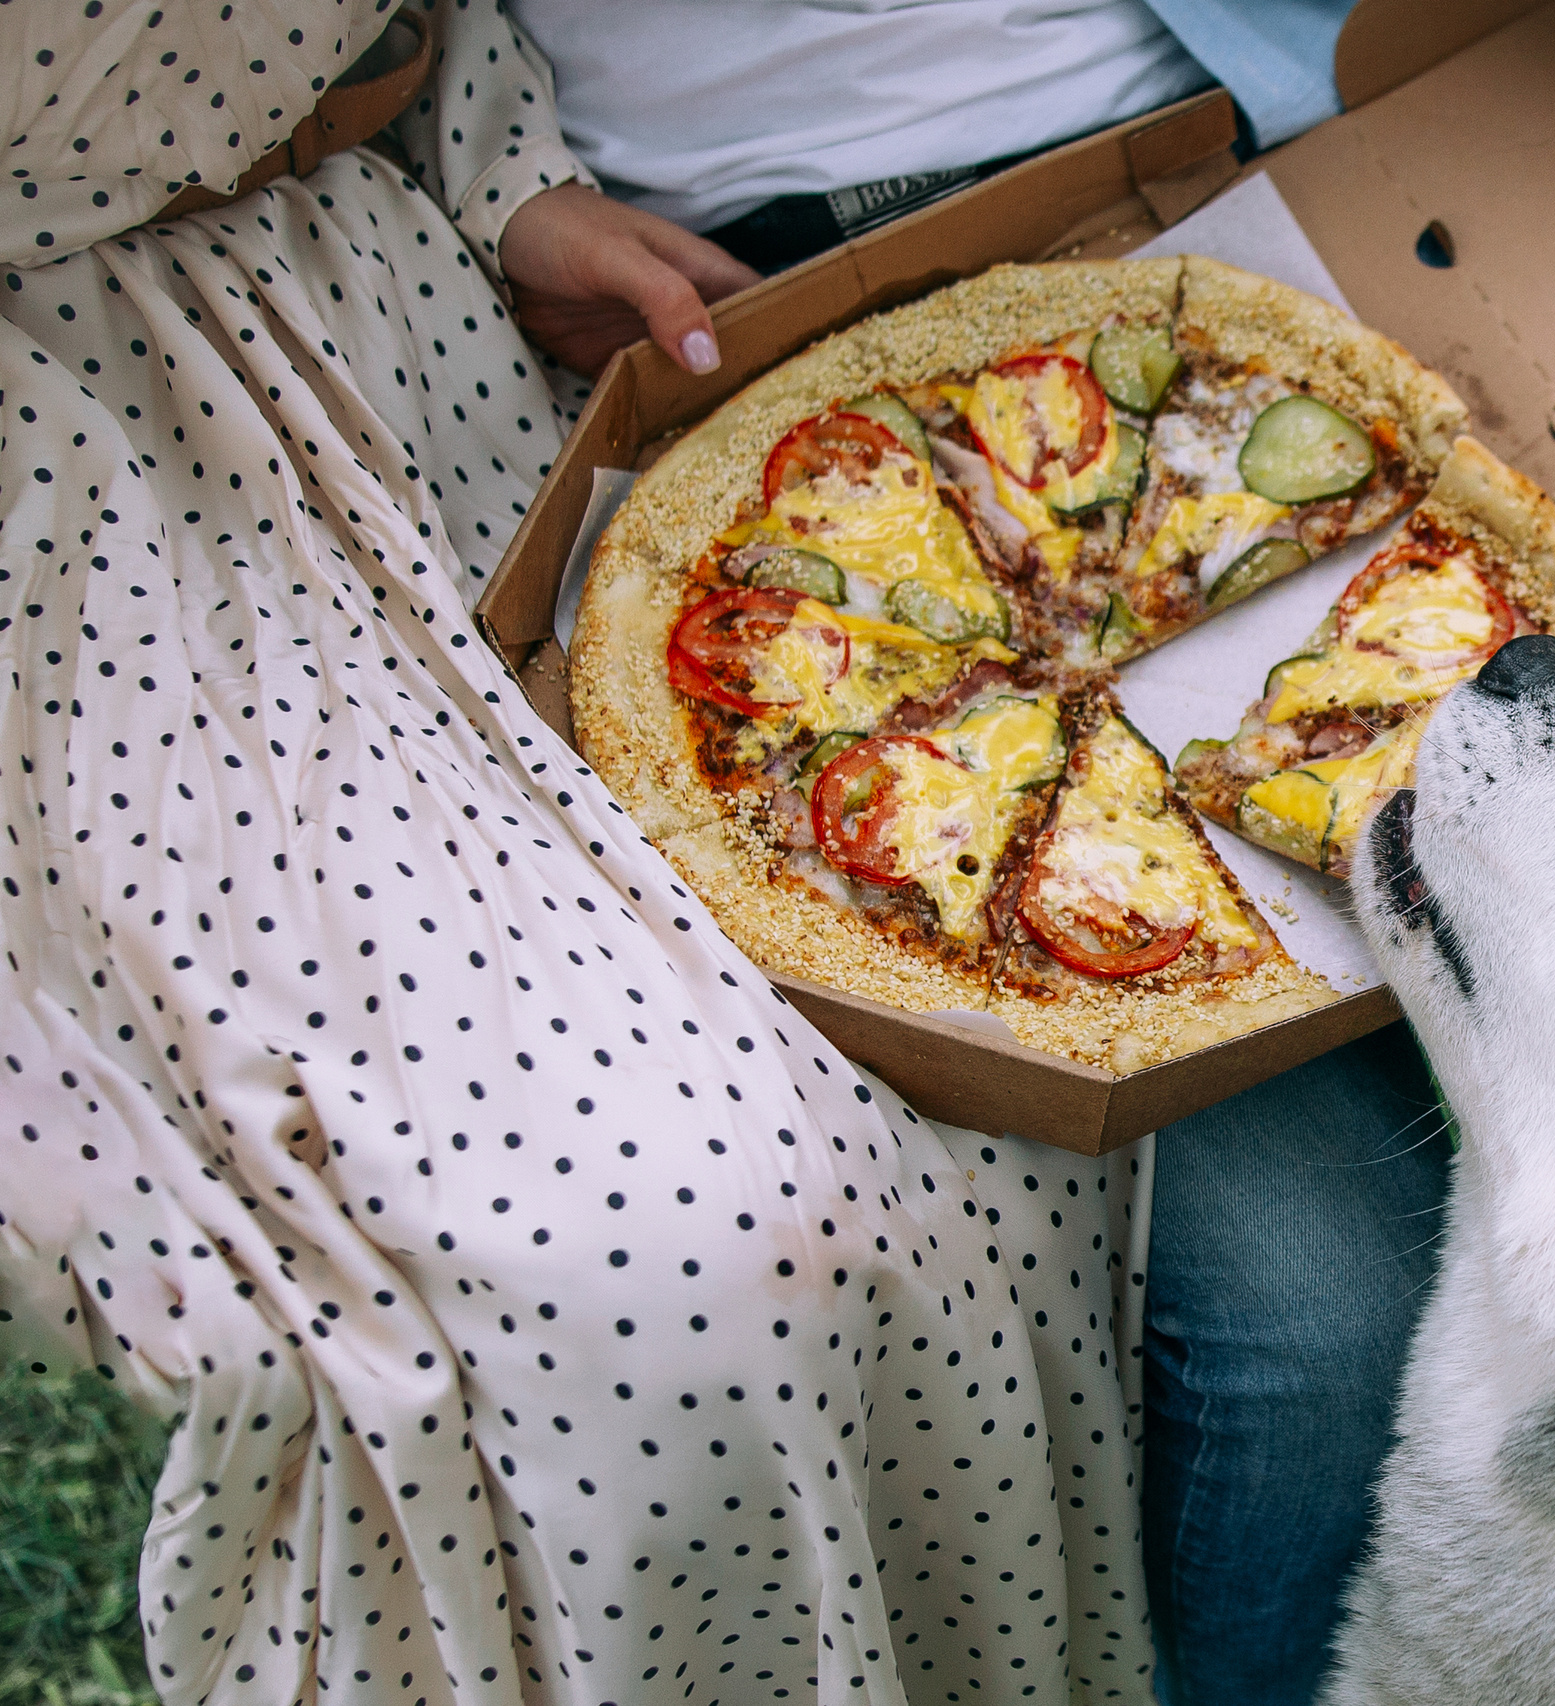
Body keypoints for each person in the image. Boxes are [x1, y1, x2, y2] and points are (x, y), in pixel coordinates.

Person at [1, 4, 1163, 1701]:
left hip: (411, 339)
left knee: (999, 1104)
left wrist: (500, 173)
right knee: (679, 1276)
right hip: (99, 496)